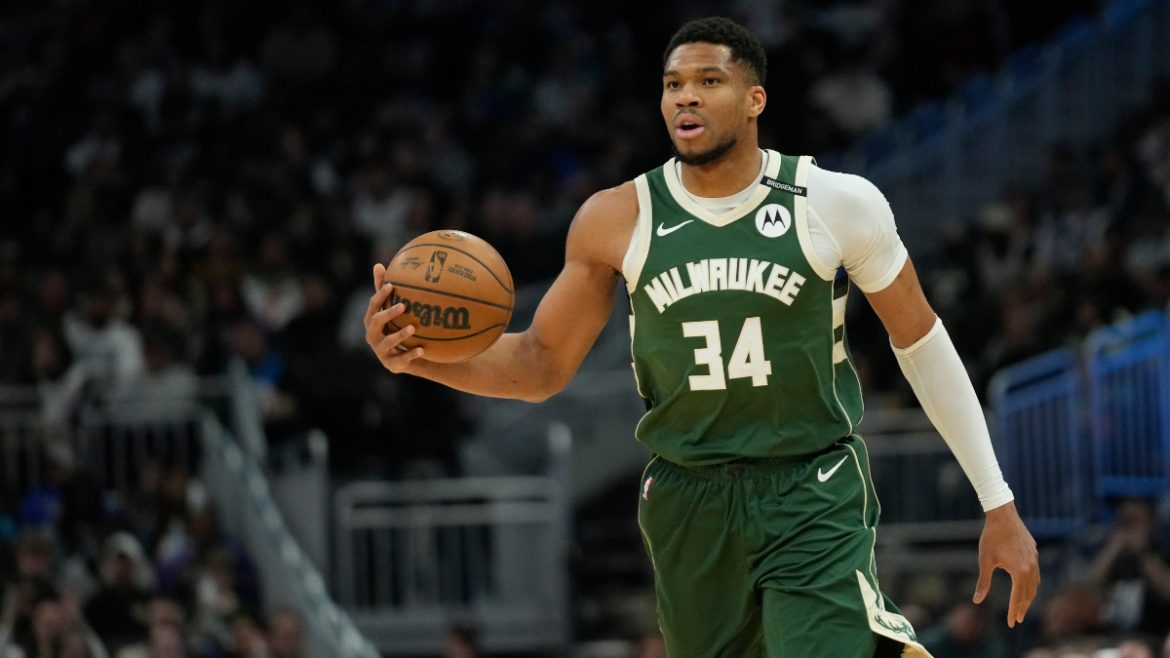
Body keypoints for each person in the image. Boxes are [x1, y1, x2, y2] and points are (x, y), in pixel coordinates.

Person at [364, 16, 1039, 657]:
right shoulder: (615, 219)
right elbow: (540, 364)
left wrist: (997, 501)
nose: (685, 96)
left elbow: (921, 341)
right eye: (673, 84)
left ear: (754, 100)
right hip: (687, 500)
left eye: (708, 81)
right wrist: (417, 357)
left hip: (810, 486)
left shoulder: (835, 202)